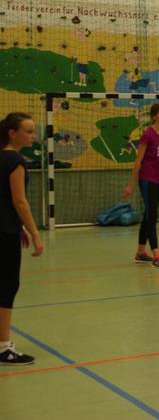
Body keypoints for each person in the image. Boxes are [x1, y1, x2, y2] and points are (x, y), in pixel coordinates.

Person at [0, 112, 44, 365]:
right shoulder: (15, 160)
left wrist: (18, 228)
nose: (33, 136)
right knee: (7, 286)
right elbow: (19, 201)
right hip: (4, 232)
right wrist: (34, 232)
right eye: (28, 131)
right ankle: (3, 347)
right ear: (12, 133)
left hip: (7, 227)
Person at [124, 104, 159, 269]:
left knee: (148, 214)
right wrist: (130, 184)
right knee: (152, 215)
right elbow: (138, 161)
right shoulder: (148, 134)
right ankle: (157, 255)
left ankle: (140, 252)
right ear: (155, 116)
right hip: (147, 180)